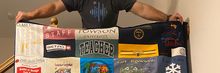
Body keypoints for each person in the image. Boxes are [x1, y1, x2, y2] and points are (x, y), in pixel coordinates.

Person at [16, 0, 183, 29]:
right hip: (86, 48)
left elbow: (141, 9)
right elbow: (53, 6)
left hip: (113, 48)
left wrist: (167, 18)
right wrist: (29, 15)